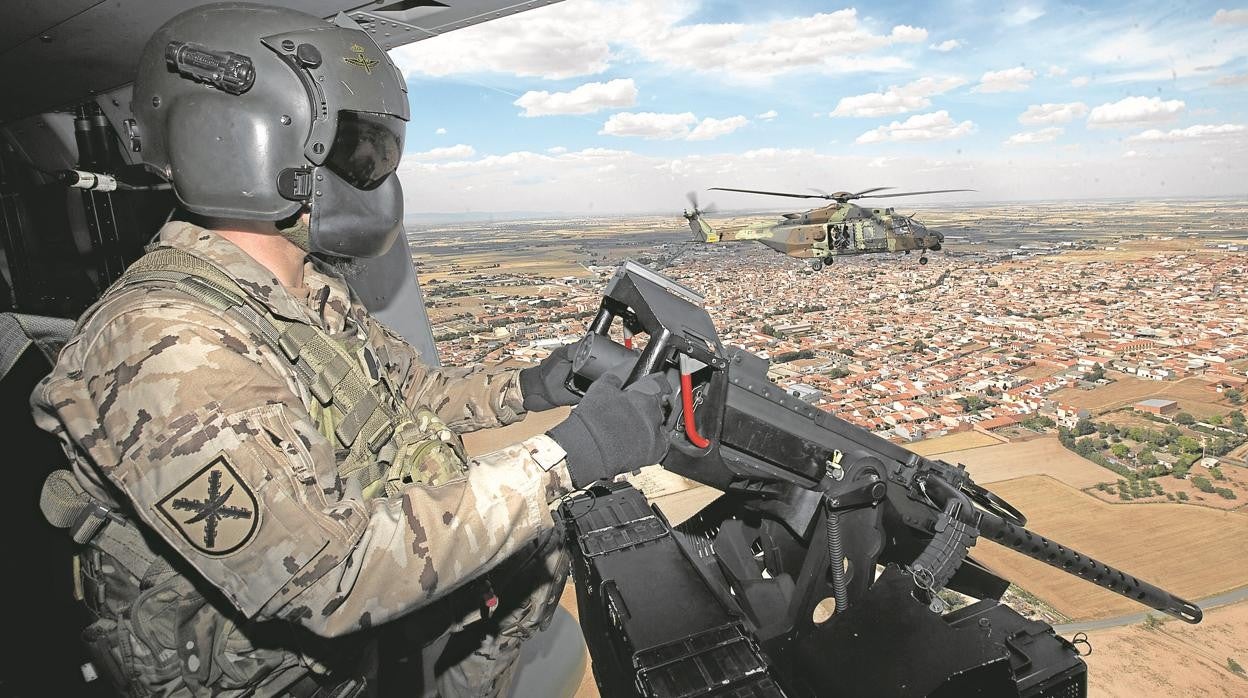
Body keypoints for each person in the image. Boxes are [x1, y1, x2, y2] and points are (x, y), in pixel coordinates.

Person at [31, 4, 670, 696]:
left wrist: (533, 386)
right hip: (268, 670)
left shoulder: (303, 287)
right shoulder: (170, 346)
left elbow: (407, 395)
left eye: (380, 149)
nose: (375, 173)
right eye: (356, 149)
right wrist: (566, 458)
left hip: (347, 620)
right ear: (244, 143)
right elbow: (332, 576)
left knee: (534, 554)